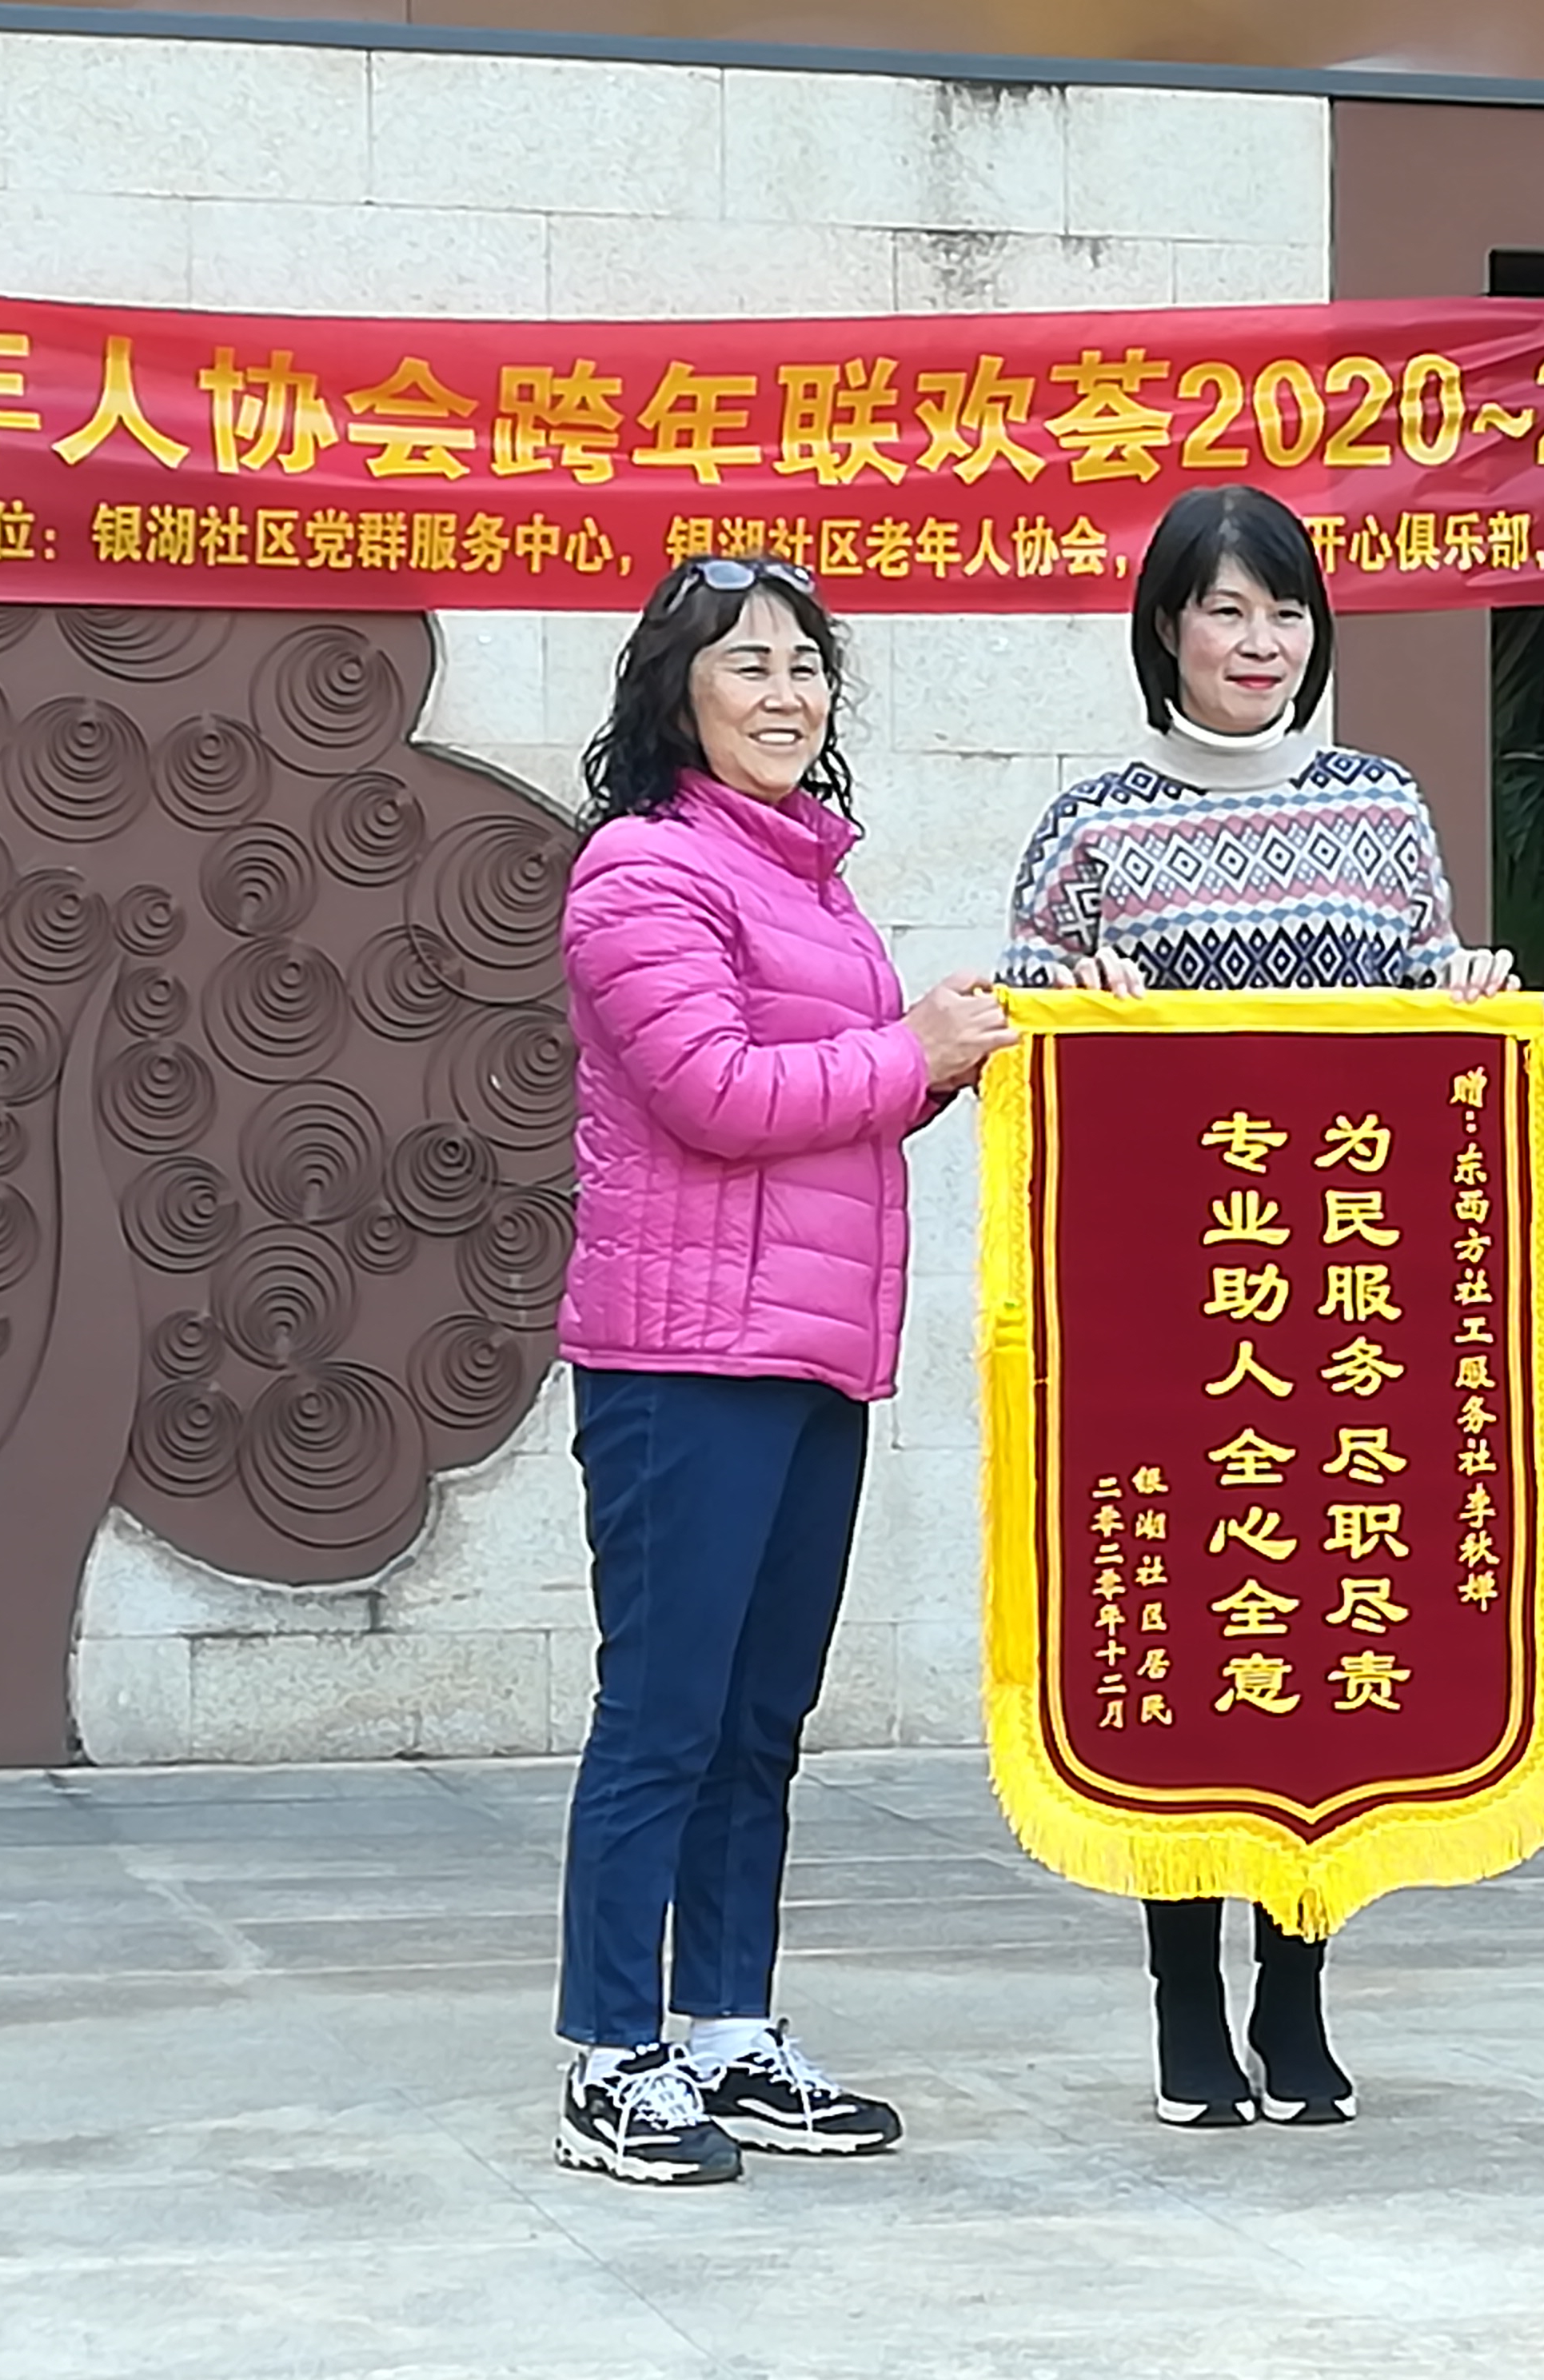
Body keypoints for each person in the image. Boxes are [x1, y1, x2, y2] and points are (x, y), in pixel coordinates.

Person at [1001, 484, 1513, 2129]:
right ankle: (1182, 2005)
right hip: (1161, 1319)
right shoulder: (1090, 828)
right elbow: (1017, 1031)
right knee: (1175, 1642)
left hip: (1338, 1314)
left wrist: (1467, 995)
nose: (1260, 642)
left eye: (1285, 611)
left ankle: (1296, 1997)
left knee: (1323, 1633)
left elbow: (1426, 991)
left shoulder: (1381, 805)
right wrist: (1064, 997)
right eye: (1226, 610)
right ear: (1166, 627)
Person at [551, 555, 1016, 2186]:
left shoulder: (808, 878)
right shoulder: (642, 868)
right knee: (663, 1715)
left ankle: (727, 2029)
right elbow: (715, 1094)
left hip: (808, 1350)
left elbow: (837, 1096)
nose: (786, 693)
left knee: (759, 1720)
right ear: (674, 693)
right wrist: (910, 1052)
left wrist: (942, 1061)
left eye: (807, 666)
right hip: (682, 1360)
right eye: (747, 664)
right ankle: (612, 2055)